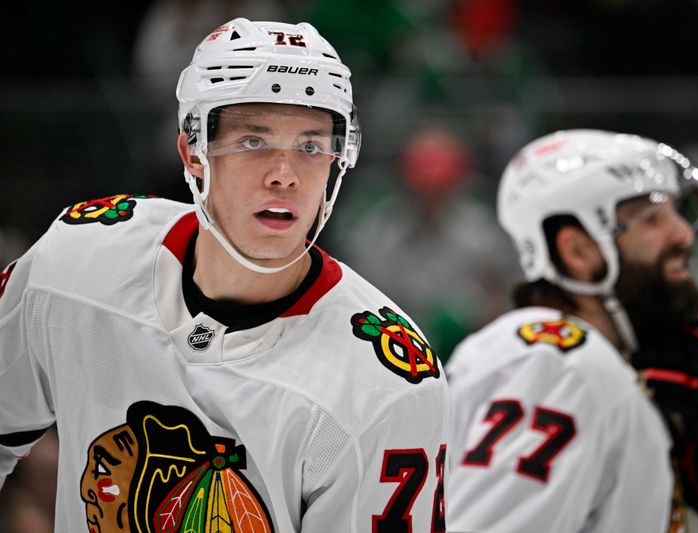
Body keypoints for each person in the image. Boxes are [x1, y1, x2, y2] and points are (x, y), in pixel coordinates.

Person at [0, 18, 449, 532]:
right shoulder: (79, 258)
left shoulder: (386, 382)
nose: (285, 173)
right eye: (253, 141)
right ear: (193, 151)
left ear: (337, 161)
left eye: (310, 146)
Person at [446, 129, 698, 532]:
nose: (684, 234)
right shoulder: (557, 363)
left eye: (676, 212)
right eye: (652, 218)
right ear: (579, 251)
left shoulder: (615, 370)